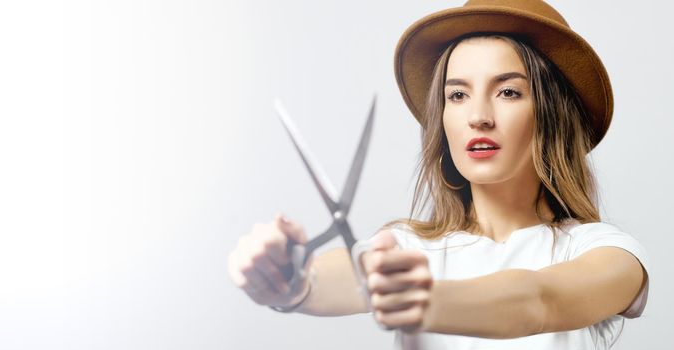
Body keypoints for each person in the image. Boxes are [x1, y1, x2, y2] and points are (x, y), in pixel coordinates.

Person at [227, 0, 651, 348]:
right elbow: (327, 280)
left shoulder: (607, 251)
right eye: (458, 94)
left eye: (508, 91)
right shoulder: (409, 250)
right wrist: (286, 279)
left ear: (551, 114)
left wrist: (426, 301)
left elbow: (538, 301)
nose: (478, 117)